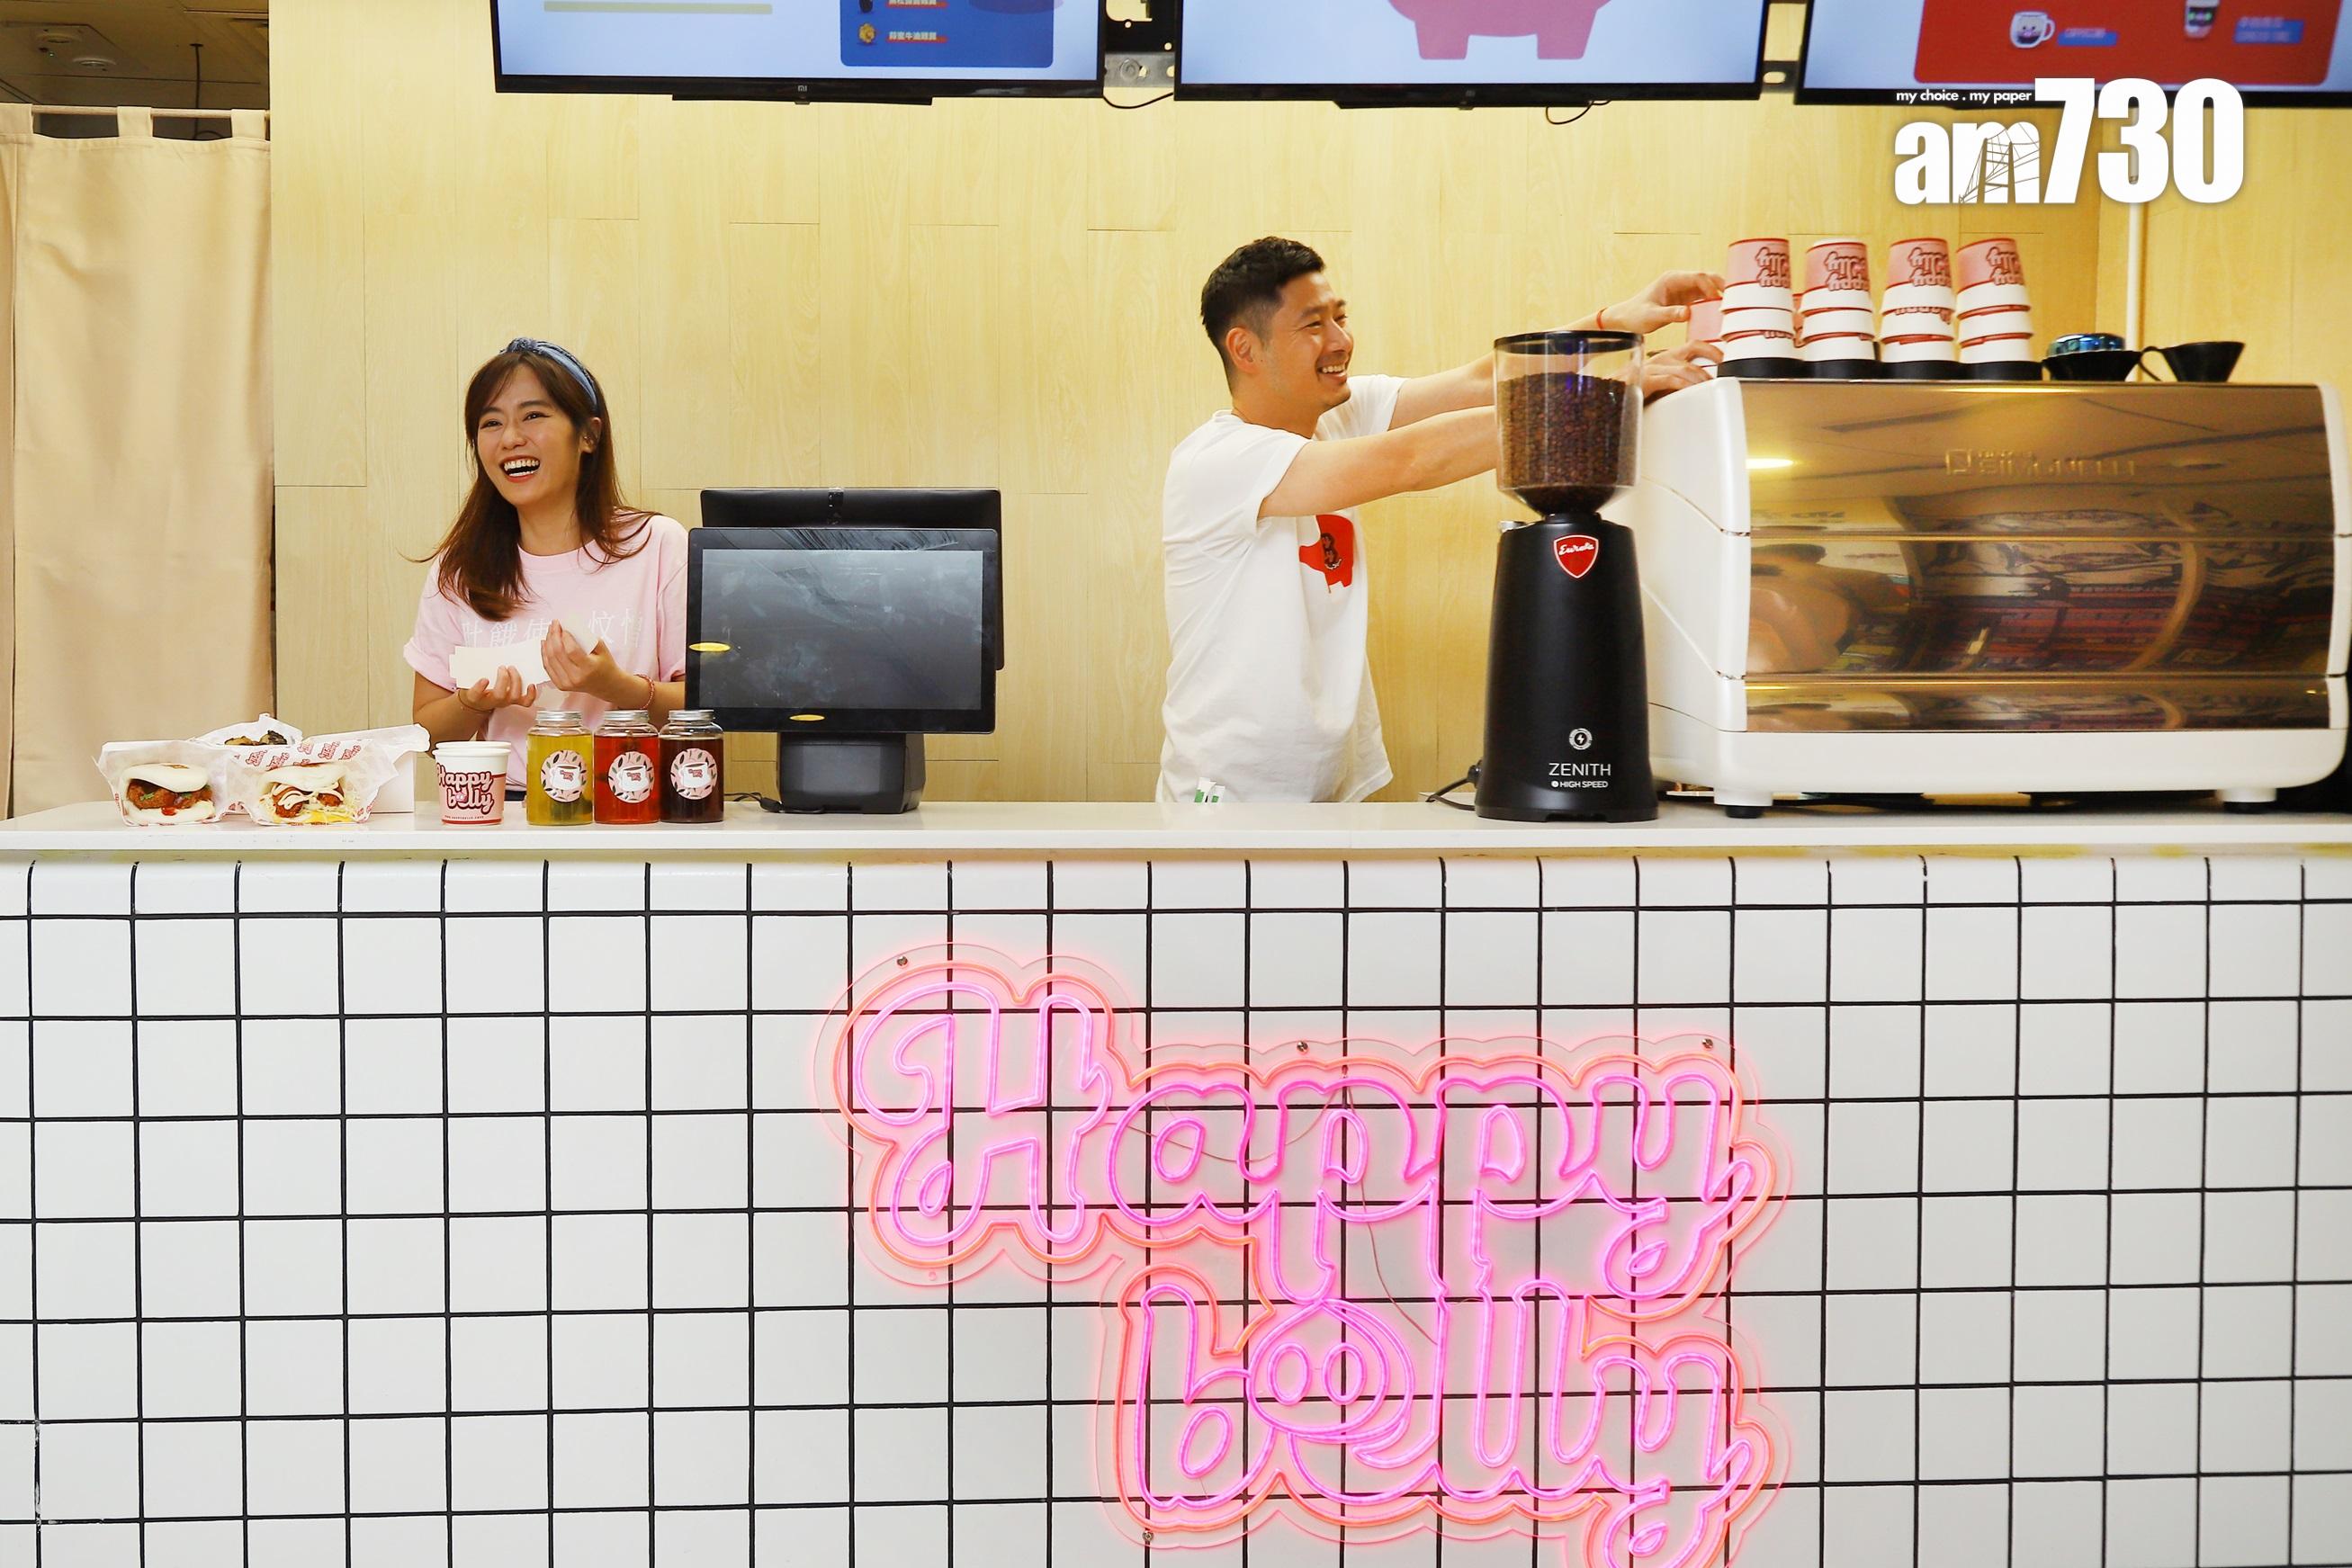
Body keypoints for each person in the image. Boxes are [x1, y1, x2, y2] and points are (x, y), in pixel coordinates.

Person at [1158, 237, 1722, 804]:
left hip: (1326, 788)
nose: (1341, 341)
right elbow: (1411, 460)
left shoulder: (1337, 416)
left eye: (1340, 317)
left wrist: (1611, 325)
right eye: (1313, 325)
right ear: (1245, 349)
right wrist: (1607, 394)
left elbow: (1481, 383)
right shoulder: (1218, 462)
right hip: (1227, 794)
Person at [406, 339, 687, 785]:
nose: (510, 438)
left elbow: (706, 710)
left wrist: (616, 687)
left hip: (633, 803)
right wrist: (473, 703)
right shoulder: (457, 571)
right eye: (491, 423)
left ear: (589, 435)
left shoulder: (657, 545)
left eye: (533, 416)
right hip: (507, 812)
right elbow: (427, 734)